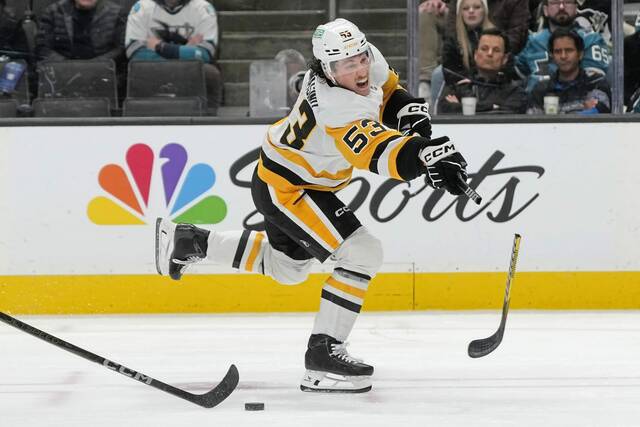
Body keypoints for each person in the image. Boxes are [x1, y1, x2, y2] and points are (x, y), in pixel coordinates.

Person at [155, 19, 471, 393]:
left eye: (360, 57)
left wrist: (416, 128)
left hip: (284, 177)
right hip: (290, 189)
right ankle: (324, 356)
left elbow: (388, 93)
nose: (358, 69)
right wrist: (427, 156)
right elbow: (378, 153)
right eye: (345, 65)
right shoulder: (337, 106)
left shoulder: (357, 64)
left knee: (288, 268)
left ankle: (192, 242)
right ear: (325, 69)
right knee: (363, 252)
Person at [125, 0, 222, 115]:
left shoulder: (203, 8)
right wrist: (186, 51)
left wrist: (160, 47)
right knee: (136, 70)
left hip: (190, 70)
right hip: (153, 69)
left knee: (210, 73)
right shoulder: (142, 7)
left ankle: (208, 120)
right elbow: (134, 52)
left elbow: (205, 54)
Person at [515, 0, 609, 92]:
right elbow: (516, 75)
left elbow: (595, 84)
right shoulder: (532, 41)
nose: (561, 7)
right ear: (545, 10)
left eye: (567, 2)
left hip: (576, 103)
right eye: (555, 2)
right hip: (534, 103)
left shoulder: (591, 40)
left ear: (576, 8)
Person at [439, 28, 526, 114]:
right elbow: (445, 109)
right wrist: (493, 107)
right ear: (476, 55)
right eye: (484, 49)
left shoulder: (515, 92)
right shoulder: (458, 87)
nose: (489, 53)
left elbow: (504, 116)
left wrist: (463, 107)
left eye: (496, 50)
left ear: (504, 59)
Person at [527, 28, 610, 114]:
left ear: (580, 54)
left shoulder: (595, 83)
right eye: (558, 51)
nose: (563, 56)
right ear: (552, 56)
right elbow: (534, 123)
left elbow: (601, 113)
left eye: (569, 50)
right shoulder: (541, 90)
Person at [36, 0, 125, 62]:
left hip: (102, 73)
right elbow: (43, 47)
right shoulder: (53, 11)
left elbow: (121, 49)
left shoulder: (116, 13)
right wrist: (69, 66)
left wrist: (95, 65)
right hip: (62, 72)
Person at [441, 0, 495, 84]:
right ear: (460, 13)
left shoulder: (497, 37)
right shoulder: (453, 40)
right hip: (464, 90)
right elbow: (451, 74)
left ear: (485, 10)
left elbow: (508, 69)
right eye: (465, 8)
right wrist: (473, 81)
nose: (471, 11)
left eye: (477, 7)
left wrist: (479, 81)